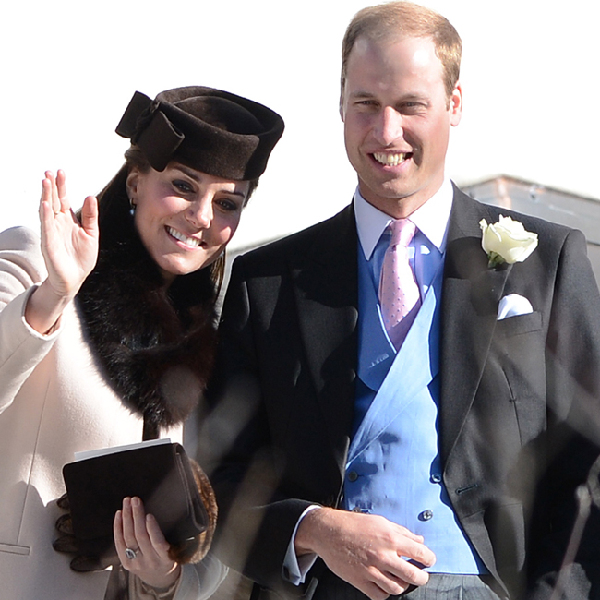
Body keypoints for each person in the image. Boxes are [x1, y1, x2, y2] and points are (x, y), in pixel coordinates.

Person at [203, 3, 600, 600]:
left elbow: (588, 465)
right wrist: (314, 528)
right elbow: (220, 479)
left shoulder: (547, 261)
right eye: (365, 103)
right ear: (340, 104)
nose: (385, 132)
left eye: (410, 105)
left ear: (455, 105)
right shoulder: (266, 281)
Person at [0, 86, 283, 600]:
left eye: (227, 202)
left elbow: (214, 528)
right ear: (135, 183)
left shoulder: (215, 338)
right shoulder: (40, 261)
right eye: (182, 185)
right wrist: (53, 297)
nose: (201, 216)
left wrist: (165, 579)